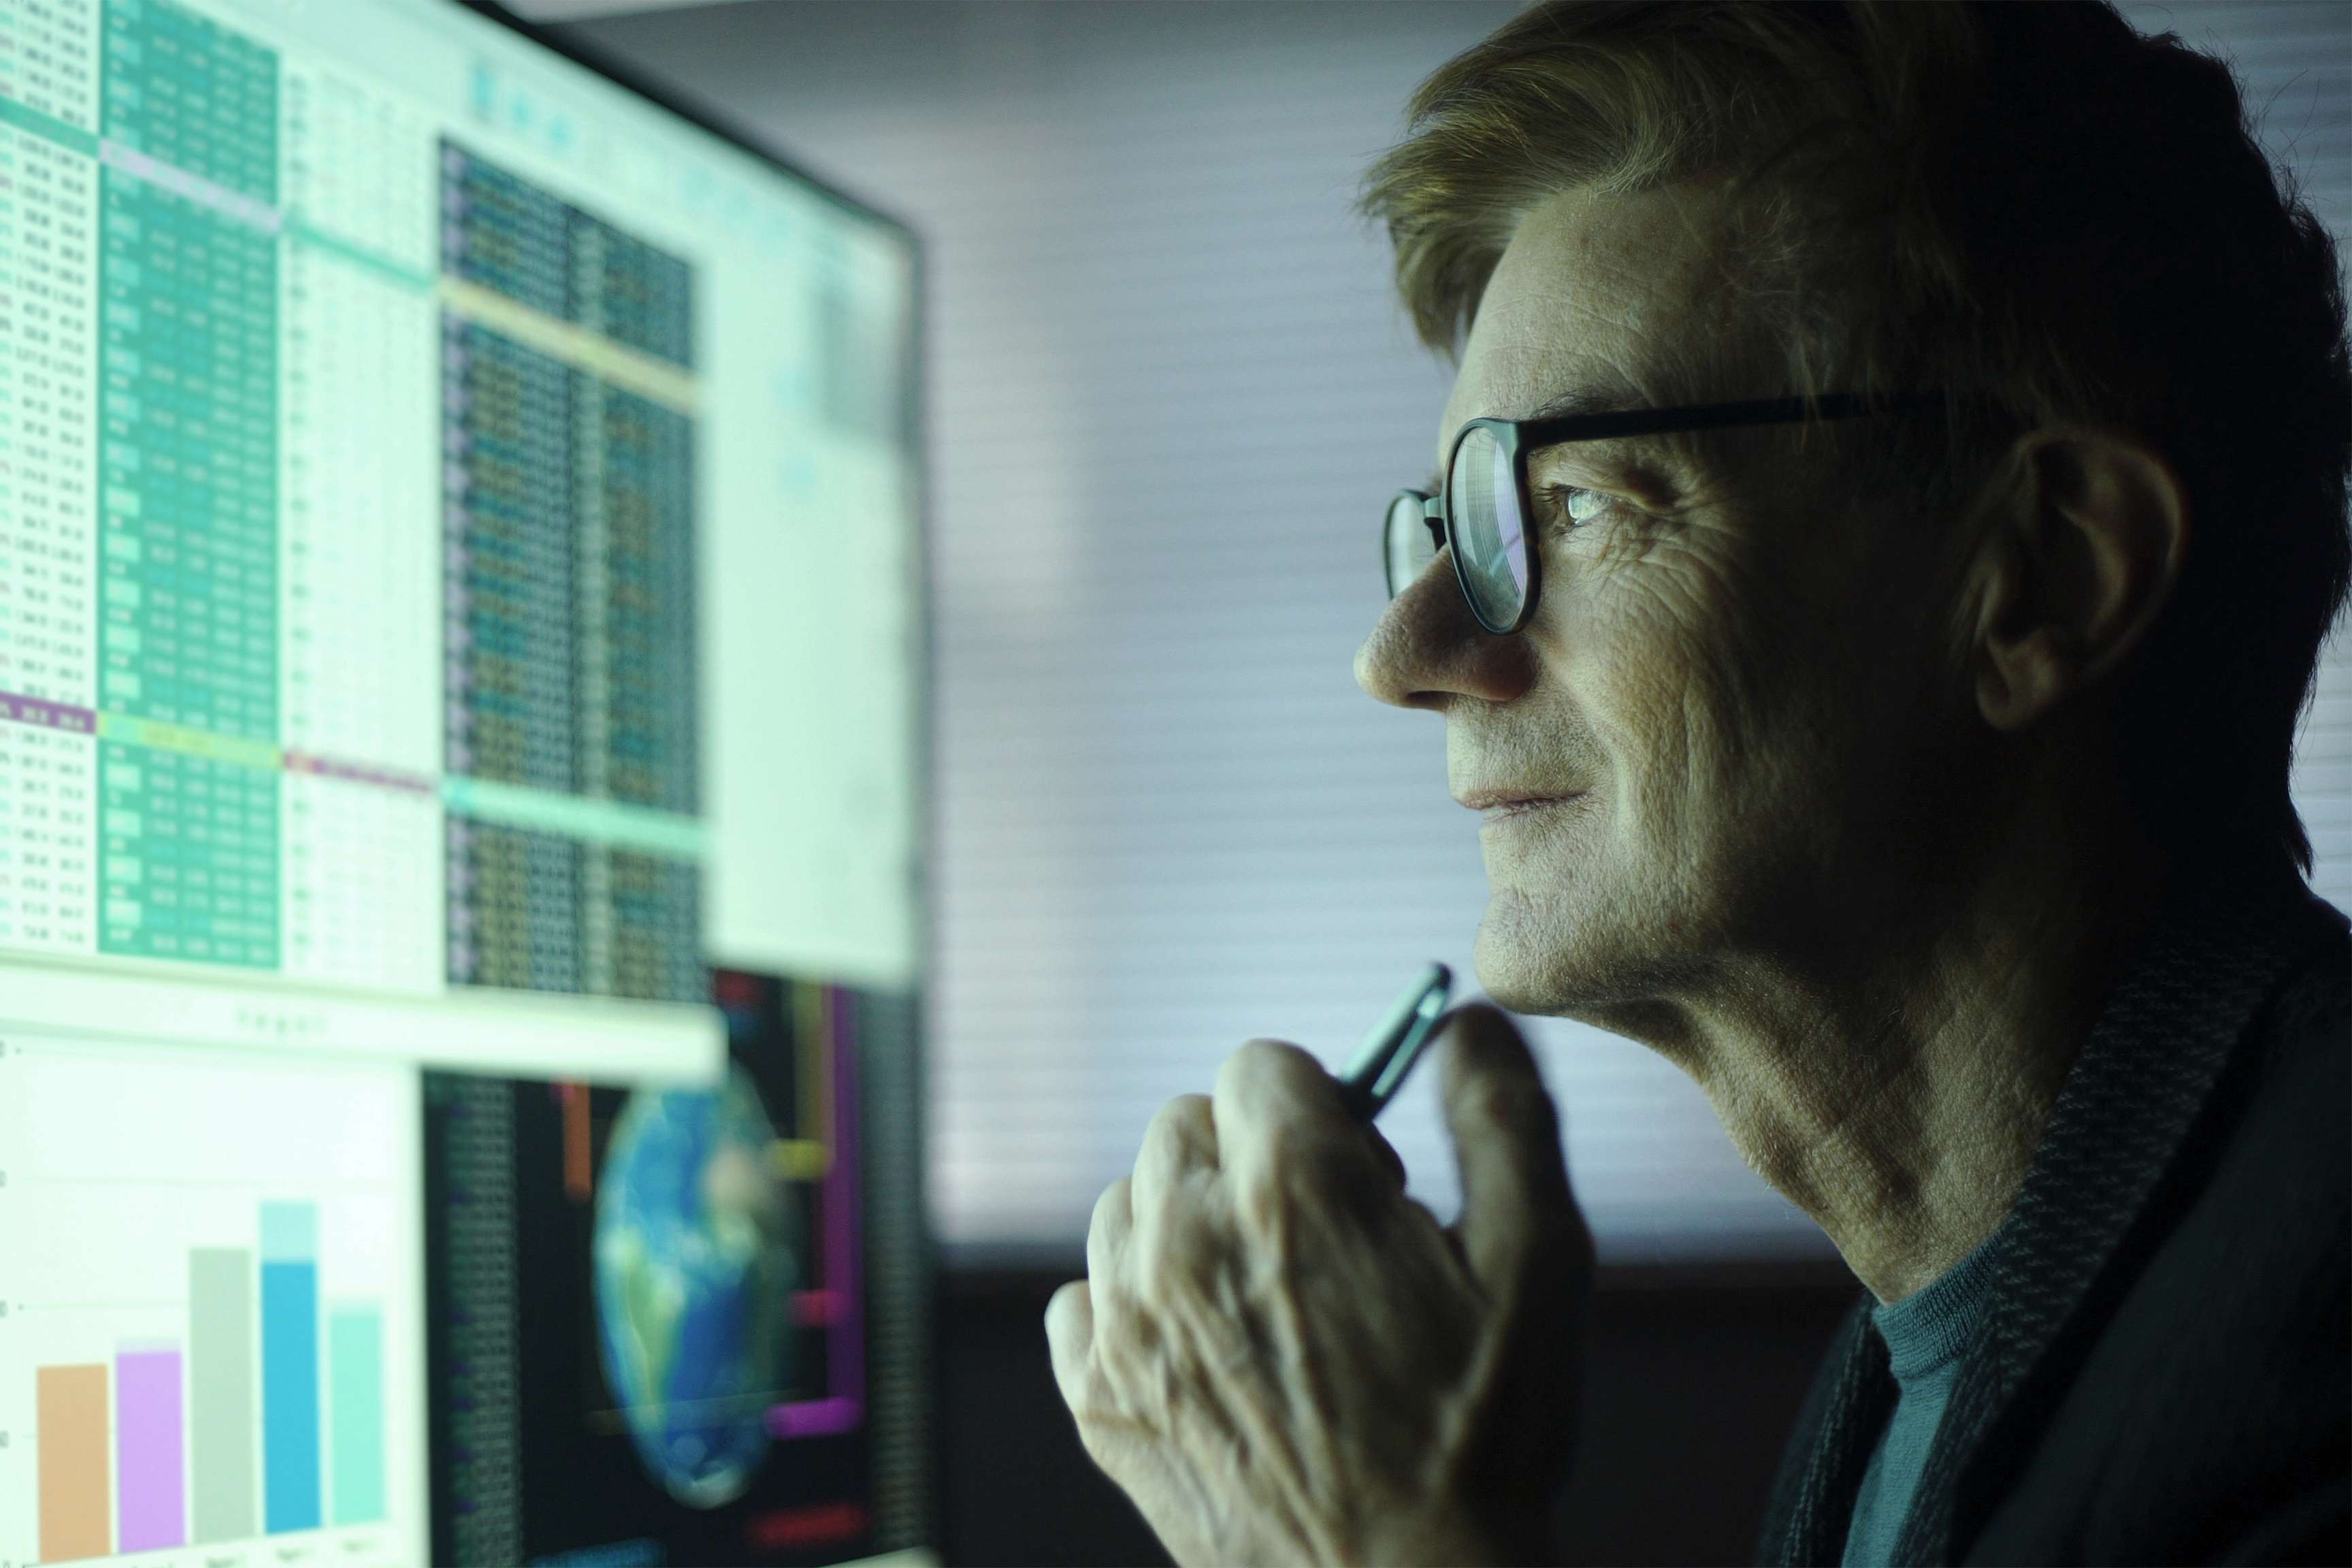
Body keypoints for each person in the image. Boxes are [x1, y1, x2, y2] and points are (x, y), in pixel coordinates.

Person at [1041, 2, 2352, 1562]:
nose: (1404, 651)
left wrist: (1386, 1539)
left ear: (2043, 577)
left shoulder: (2319, 1322)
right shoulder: (1917, 1341)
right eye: (1449, 529)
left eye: (1572, 503)